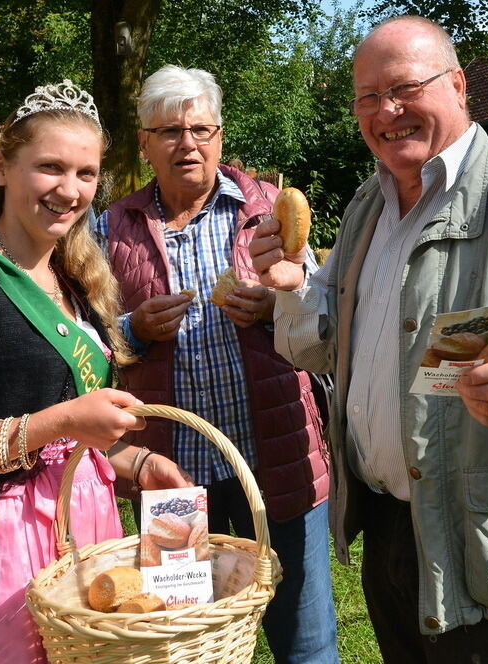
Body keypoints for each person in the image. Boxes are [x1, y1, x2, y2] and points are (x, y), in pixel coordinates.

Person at [250, 16, 488, 663]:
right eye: (366, 97)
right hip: (389, 530)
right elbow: (319, 348)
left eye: (403, 88)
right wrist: (289, 284)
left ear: (457, 85)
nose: (385, 111)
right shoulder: (366, 208)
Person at [0, 80, 192, 664]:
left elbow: (73, 436)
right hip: (8, 542)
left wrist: (141, 463)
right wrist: (62, 419)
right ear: (1, 167)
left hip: (87, 527)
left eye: (86, 173)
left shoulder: (76, 283)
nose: (70, 190)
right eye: (50, 167)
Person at [93, 65, 338, 664]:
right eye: (170, 131)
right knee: (186, 639)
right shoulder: (111, 228)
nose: (188, 144)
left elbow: (321, 308)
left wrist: (276, 305)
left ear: (221, 135)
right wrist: (134, 329)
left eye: (201, 128)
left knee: (303, 637)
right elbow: (88, 341)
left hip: (276, 458)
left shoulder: (270, 212)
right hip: (173, 474)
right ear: (145, 143)